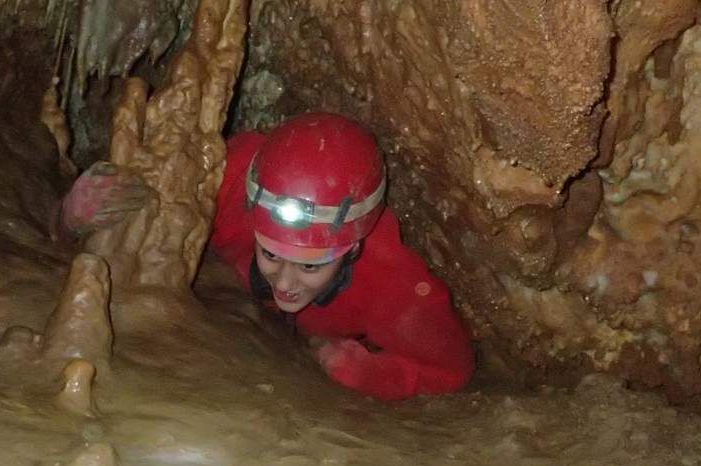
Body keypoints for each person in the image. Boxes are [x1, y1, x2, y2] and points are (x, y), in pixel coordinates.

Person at [59, 113, 474, 401]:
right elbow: (135, 219)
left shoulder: (391, 282)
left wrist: (368, 374)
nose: (286, 283)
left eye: (310, 265)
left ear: (352, 248)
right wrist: (71, 217)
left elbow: (452, 371)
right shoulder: (225, 180)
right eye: (271, 253)